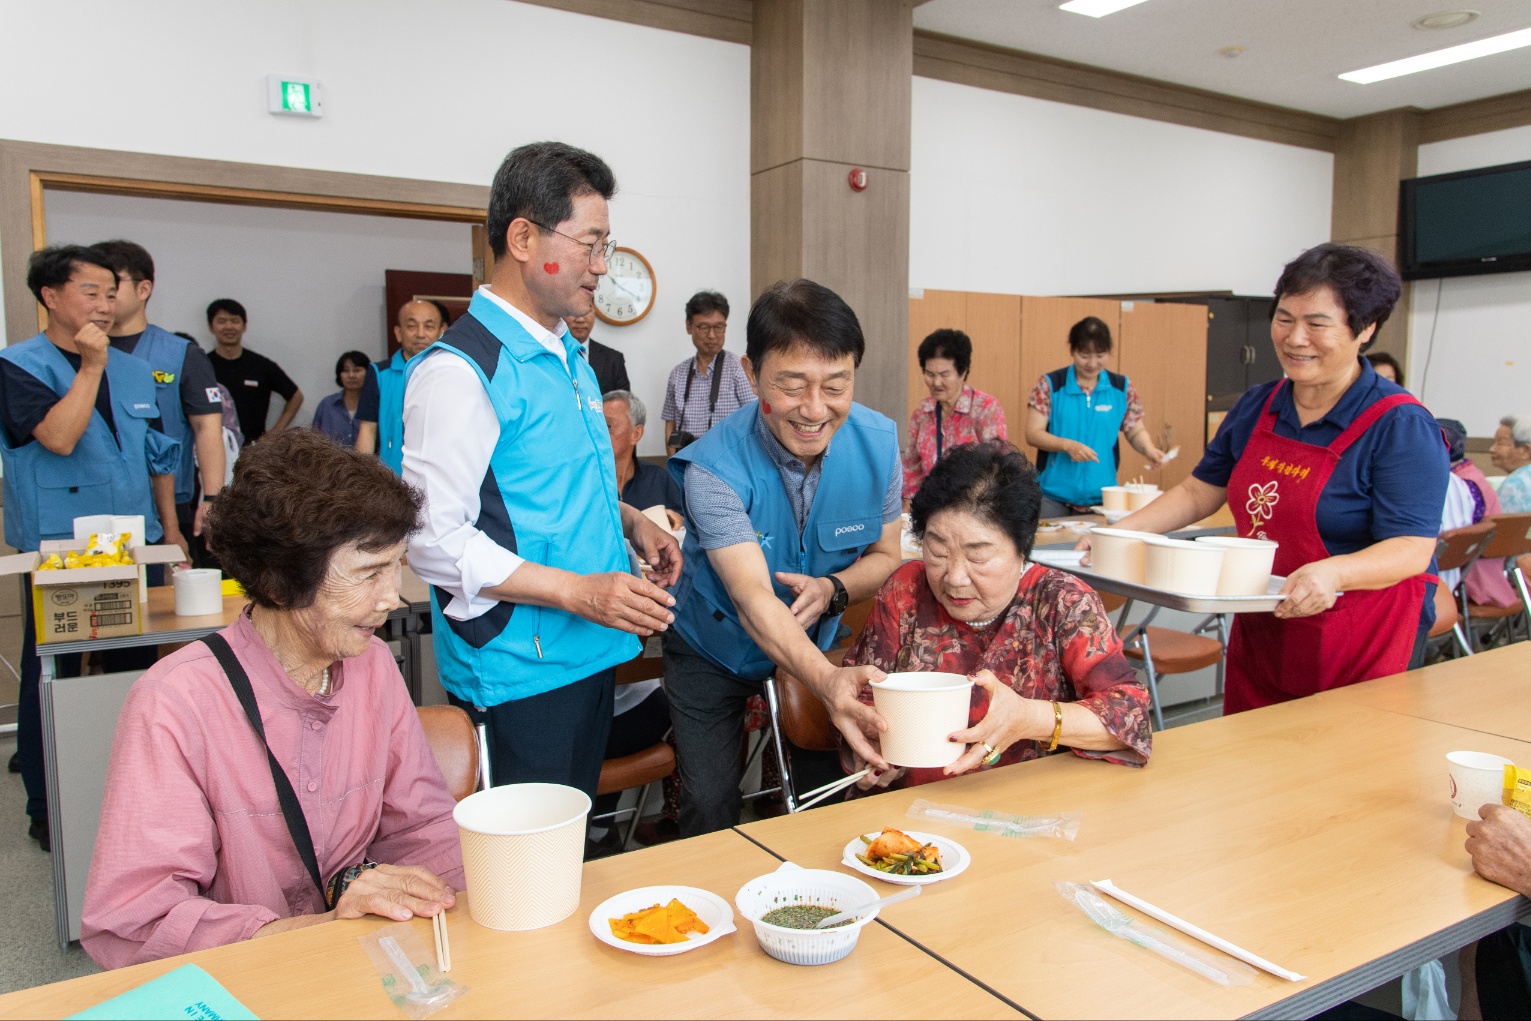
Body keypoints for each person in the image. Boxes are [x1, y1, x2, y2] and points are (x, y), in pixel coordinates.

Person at [80, 430, 462, 970]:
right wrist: (320, 929)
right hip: (236, 981)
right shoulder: (174, 703)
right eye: (369, 573)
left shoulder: (372, 664)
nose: (389, 598)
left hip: (368, 966)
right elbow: (131, 925)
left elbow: (421, 828)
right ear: (280, 583)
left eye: (396, 566)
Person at [403, 141, 681, 801]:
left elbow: (550, 484)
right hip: (519, 670)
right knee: (526, 874)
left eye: (605, 245)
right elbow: (434, 540)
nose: (600, 266)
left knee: (576, 849)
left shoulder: (566, 356)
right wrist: (577, 592)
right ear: (523, 237)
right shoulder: (459, 371)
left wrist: (631, 519)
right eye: (589, 243)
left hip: (584, 649)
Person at [1090, 243, 1449, 712]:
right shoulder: (1259, 404)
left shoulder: (1400, 425)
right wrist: (1119, 534)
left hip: (1361, 635)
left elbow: (1412, 548)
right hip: (1267, 620)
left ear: (1366, 329)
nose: (1295, 338)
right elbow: (1200, 491)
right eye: (1284, 318)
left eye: (1317, 324)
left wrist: (1333, 572)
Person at [664, 278, 903, 836]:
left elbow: (887, 552)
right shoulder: (713, 467)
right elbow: (751, 598)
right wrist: (828, 682)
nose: (815, 410)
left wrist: (834, 589)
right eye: (792, 386)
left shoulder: (878, 443)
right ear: (751, 374)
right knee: (710, 802)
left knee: (828, 791)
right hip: (713, 646)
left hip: (815, 640)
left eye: (836, 386)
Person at [0, 246, 183, 851]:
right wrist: (90, 368)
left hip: (134, 544)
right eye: (91, 292)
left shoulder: (135, 371)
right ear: (50, 296)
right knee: (51, 669)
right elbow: (57, 435)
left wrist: (171, 529)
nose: (105, 305)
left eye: (113, 293)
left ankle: (130, 796)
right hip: (62, 550)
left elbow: (157, 456)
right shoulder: (17, 365)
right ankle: (46, 807)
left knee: (135, 668)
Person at [847, 443, 1150, 793]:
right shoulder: (906, 590)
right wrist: (870, 749)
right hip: (912, 815)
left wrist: (1030, 718)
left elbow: (1131, 716)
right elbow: (864, 698)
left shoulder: (1061, 601)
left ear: (1022, 549)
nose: (955, 577)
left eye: (978, 557)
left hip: (1032, 807)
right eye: (938, 551)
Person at [94, 240, 226, 567]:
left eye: (113, 285)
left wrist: (212, 498)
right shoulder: (82, 351)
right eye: (94, 288)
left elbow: (207, 427)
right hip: (96, 502)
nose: (104, 296)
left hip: (170, 502)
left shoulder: (180, 354)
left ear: (143, 288)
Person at [1025, 316, 1169, 517]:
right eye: (1084, 355)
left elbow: (1135, 429)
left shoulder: (1121, 388)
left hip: (1103, 497)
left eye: (1100, 355)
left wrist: (1149, 449)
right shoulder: (1050, 385)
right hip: (1053, 496)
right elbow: (1033, 434)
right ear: (1072, 351)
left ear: (1109, 352)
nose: (1092, 363)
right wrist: (1068, 446)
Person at [903, 329, 1007, 501]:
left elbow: (997, 467)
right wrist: (908, 504)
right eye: (929, 374)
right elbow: (912, 469)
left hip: (974, 506)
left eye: (944, 375)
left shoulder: (985, 408)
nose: (936, 382)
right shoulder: (923, 411)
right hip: (931, 506)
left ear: (963, 371)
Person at [357, 299, 447, 472]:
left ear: (441, 332)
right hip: (391, 481)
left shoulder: (453, 374)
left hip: (439, 480)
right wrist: (361, 478)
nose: (420, 334)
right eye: (412, 326)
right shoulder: (379, 373)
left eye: (429, 327)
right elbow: (367, 429)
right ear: (398, 332)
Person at [661, 291, 756, 452]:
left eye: (718, 327)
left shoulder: (739, 369)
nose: (712, 335)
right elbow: (670, 423)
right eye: (704, 326)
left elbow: (756, 420)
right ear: (689, 326)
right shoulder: (677, 374)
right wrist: (673, 463)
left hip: (727, 462)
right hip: (685, 460)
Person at [1439, 417, 1519, 607]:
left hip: (1465, 581)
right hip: (1490, 576)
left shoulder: (1459, 484)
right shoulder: (1472, 477)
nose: (1492, 449)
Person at [206, 299, 304, 443]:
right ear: (210, 327)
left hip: (253, 450)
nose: (229, 326)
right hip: (212, 446)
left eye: (235, 321)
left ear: (244, 326)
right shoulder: (202, 365)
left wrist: (275, 433)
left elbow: (296, 396)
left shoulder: (261, 365)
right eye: (221, 321)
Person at [603, 390, 681, 528]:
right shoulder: (584, 481)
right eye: (597, 426)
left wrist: (677, 520)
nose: (600, 433)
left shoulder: (658, 479)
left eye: (608, 426)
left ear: (636, 433)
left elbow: (683, 521)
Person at [311, 351, 375, 448]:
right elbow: (313, 441)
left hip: (367, 462)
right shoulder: (327, 405)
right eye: (345, 371)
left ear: (368, 373)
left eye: (357, 370)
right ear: (339, 375)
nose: (351, 375)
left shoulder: (374, 404)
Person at [565, 309, 629, 395]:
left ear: (594, 313)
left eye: (586, 311)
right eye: (573, 313)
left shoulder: (614, 360)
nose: (580, 320)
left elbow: (623, 403)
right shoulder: (549, 354)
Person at [1491, 414, 1531, 513]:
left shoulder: (1515, 485)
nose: (1492, 449)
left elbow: (1500, 526)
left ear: (1525, 451)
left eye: (1501, 443)